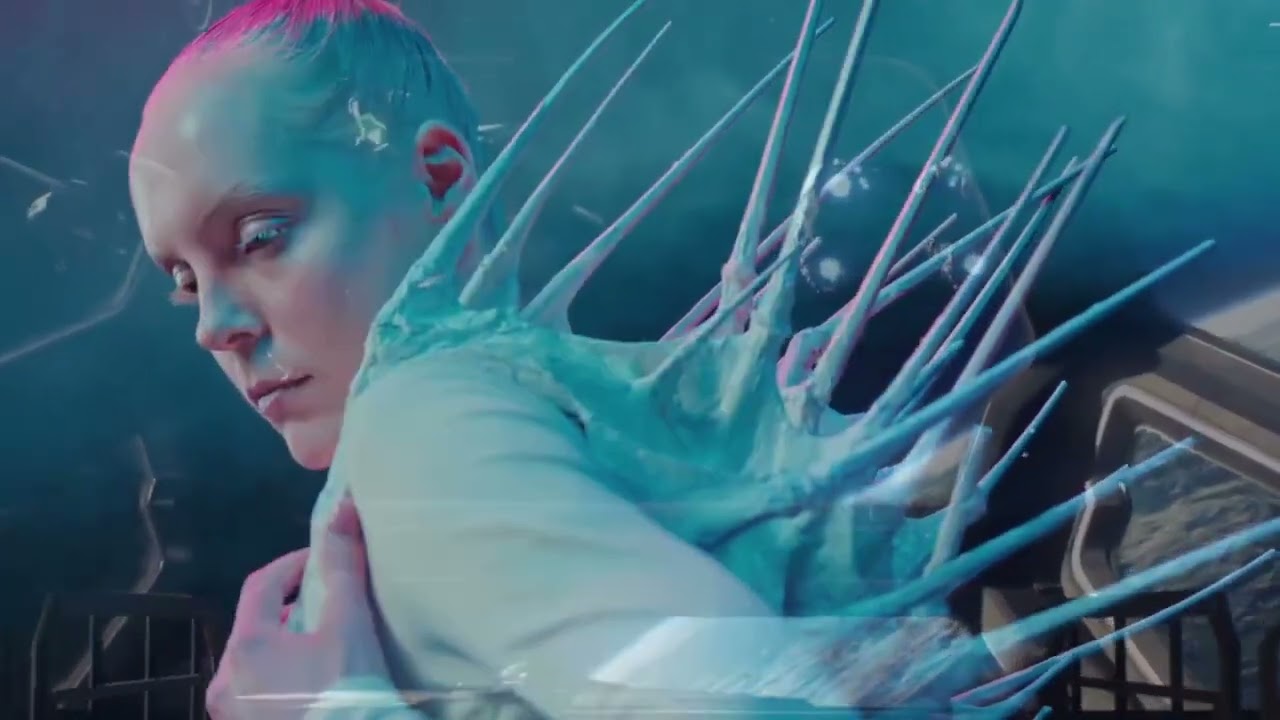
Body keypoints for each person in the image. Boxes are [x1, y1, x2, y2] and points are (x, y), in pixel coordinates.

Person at [129, 0, 1280, 718]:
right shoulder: (508, 415)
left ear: (437, 179)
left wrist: (322, 710)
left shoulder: (424, 430)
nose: (213, 325)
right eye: (184, 278)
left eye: (259, 236)